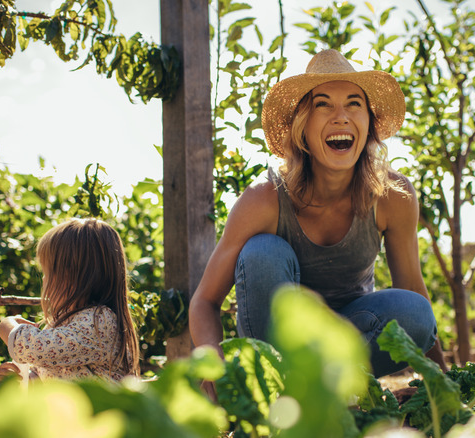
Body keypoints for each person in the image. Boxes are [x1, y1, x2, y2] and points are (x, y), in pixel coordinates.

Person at [189, 49, 447, 398]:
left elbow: (414, 290)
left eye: (354, 104)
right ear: (302, 128)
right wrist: (211, 358)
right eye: (323, 105)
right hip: (277, 349)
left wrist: (443, 380)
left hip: (354, 338)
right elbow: (204, 300)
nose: (341, 116)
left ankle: (329, 389)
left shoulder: (392, 195)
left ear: (368, 123)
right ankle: (280, 393)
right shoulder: (263, 200)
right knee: (263, 252)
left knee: (416, 312)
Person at [0, 218, 140, 386]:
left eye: (47, 272)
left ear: (72, 276)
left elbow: (35, 348)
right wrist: (23, 380)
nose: (44, 279)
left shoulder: (99, 321)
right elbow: (52, 373)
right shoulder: (63, 322)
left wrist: (7, 326)